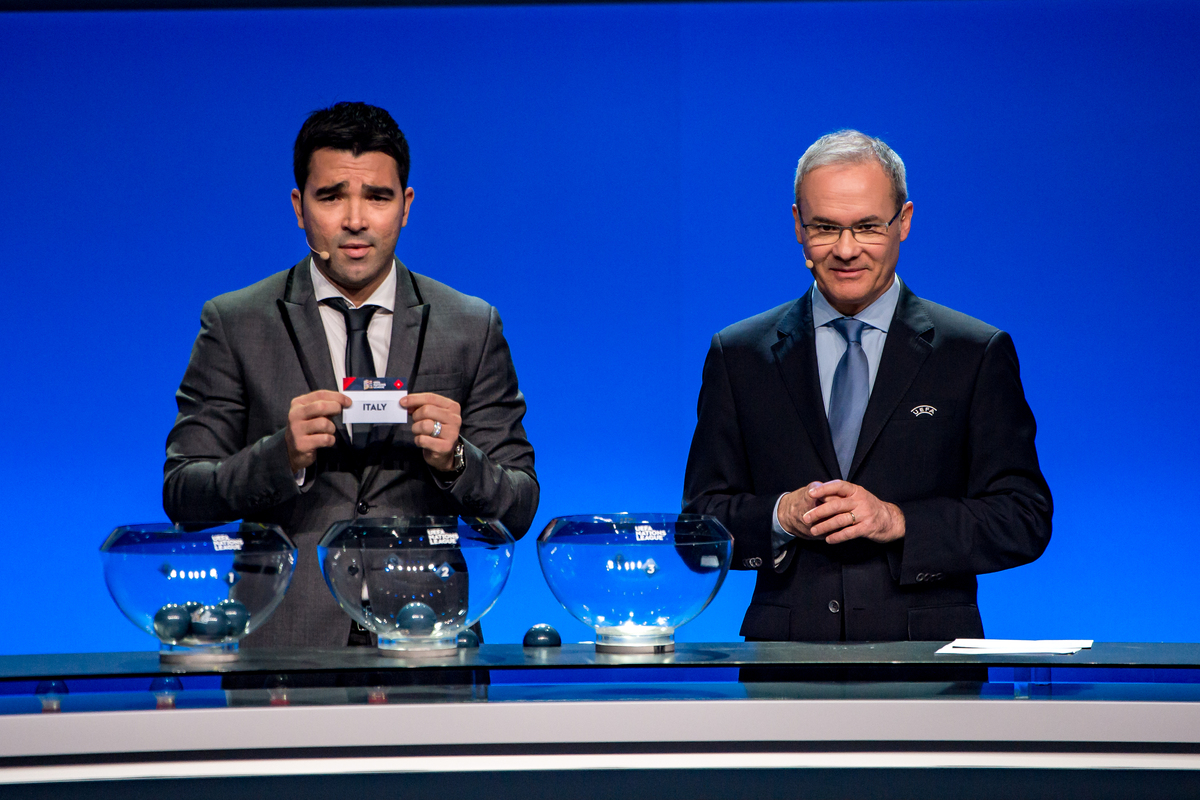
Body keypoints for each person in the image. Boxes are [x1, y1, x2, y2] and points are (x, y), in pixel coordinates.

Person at [164, 102, 538, 649]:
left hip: (427, 642)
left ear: (406, 206)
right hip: (285, 644)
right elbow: (183, 493)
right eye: (331, 195)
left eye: (377, 197)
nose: (355, 219)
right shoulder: (236, 322)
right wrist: (280, 456)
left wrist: (457, 461)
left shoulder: (470, 325)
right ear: (299, 205)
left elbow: (520, 503)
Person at [682, 130, 1051, 642]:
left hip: (929, 667)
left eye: (868, 227)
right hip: (786, 668)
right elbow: (698, 527)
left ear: (904, 222)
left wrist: (897, 520)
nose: (846, 250)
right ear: (796, 225)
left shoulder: (973, 353)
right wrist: (780, 514)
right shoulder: (739, 355)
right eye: (826, 227)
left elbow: (1023, 517)